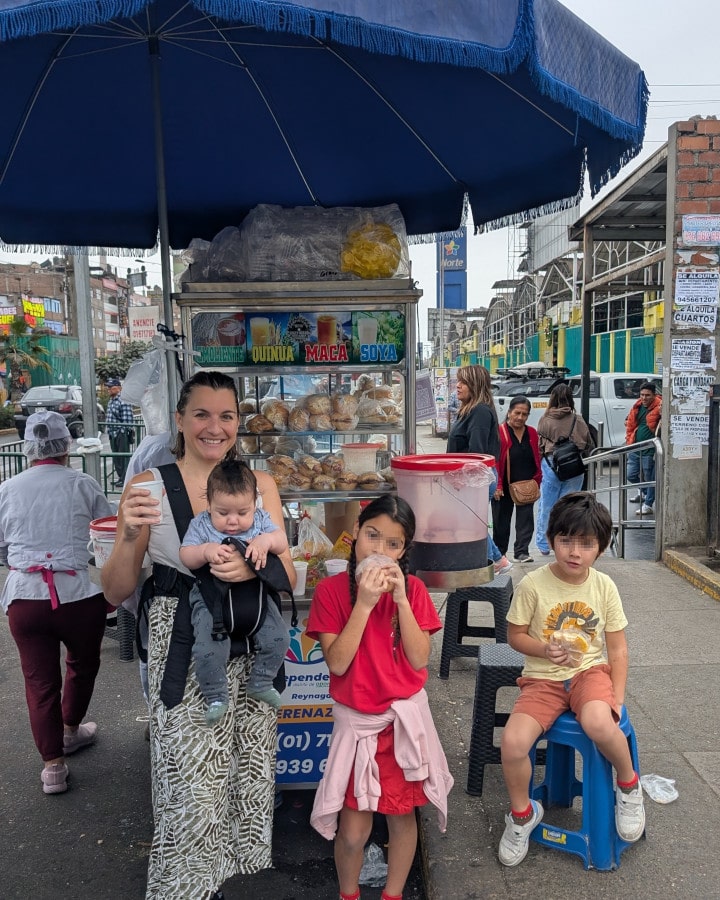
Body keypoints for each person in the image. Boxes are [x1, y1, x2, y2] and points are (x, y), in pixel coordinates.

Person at [101, 370, 296, 900]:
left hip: (251, 639)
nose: (215, 426)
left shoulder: (262, 485)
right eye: (202, 414)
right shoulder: (146, 486)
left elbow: (289, 575)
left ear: (239, 422)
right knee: (191, 782)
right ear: (181, 421)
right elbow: (116, 591)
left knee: (244, 777)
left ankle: (226, 884)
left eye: (227, 415)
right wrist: (125, 533)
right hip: (181, 644)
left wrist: (256, 568)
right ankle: (182, 889)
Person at [307, 495, 453, 900]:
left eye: (394, 543)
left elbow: (419, 658)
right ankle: (348, 893)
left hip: (403, 724)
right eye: (372, 536)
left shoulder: (415, 590)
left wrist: (401, 599)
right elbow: (337, 663)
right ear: (356, 534)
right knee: (353, 830)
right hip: (359, 726)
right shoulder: (332, 592)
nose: (380, 550)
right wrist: (365, 604)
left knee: (402, 816)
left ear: (405, 550)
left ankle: (393, 894)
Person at [498, 492, 645, 867]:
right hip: (541, 681)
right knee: (513, 742)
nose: (574, 552)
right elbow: (515, 636)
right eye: (565, 541)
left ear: (601, 547)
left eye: (586, 544)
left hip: (589, 673)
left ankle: (628, 785)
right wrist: (543, 649)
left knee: (598, 721)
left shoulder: (603, 587)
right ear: (550, 539)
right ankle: (521, 815)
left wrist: (617, 699)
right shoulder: (533, 584)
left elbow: (618, 650)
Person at [0, 411, 113, 795]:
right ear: (67, 446)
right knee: (82, 666)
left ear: (28, 447)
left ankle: (53, 768)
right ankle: (69, 729)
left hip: (24, 599)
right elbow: (107, 540)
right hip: (77, 596)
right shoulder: (83, 484)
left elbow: (2, 548)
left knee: (38, 683)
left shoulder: (7, 488)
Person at [179, 458, 290, 719]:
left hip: (255, 597)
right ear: (209, 505)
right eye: (222, 513)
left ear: (255, 505)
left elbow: (282, 542)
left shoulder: (261, 521)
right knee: (208, 649)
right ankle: (216, 696)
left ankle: (262, 682)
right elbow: (185, 555)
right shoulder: (202, 524)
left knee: (279, 638)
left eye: (242, 513)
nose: (233, 521)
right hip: (212, 599)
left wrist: (266, 541)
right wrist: (205, 550)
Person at [446, 364, 512, 575]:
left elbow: (477, 453)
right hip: (468, 477)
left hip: (475, 478)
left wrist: (461, 477)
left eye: (463, 382)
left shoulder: (480, 412)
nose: (458, 386)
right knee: (467, 521)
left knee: (469, 522)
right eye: (458, 381)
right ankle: (491, 558)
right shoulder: (468, 410)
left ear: (474, 385)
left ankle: (496, 559)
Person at [534, 384, 595, 556]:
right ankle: (565, 542)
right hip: (573, 465)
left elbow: (539, 446)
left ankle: (544, 544)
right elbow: (588, 443)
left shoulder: (545, 420)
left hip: (551, 463)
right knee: (569, 506)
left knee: (547, 505)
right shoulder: (578, 419)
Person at [492, 395, 542, 563]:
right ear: (509, 412)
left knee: (526, 520)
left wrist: (537, 479)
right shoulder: (500, 432)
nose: (520, 417)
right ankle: (500, 554)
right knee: (501, 522)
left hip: (526, 483)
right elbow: (496, 459)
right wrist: (497, 484)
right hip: (504, 486)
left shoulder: (532, 433)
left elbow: (536, 456)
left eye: (524, 414)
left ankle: (522, 551)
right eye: (517, 413)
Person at [625, 382, 661, 516]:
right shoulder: (637, 406)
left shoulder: (660, 407)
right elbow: (630, 423)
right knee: (631, 474)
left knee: (649, 476)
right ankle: (648, 493)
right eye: (642, 395)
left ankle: (648, 504)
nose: (644, 398)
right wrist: (629, 439)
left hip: (650, 449)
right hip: (635, 446)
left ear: (654, 395)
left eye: (647, 395)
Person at [105, 377, 135, 486]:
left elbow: (127, 420)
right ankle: (120, 478)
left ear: (118, 388)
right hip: (112, 433)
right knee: (116, 458)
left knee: (123, 458)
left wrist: (122, 432)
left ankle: (125, 479)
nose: (108, 389)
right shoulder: (112, 400)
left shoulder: (123, 400)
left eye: (111, 387)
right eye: (108, 387)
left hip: (120, 433)